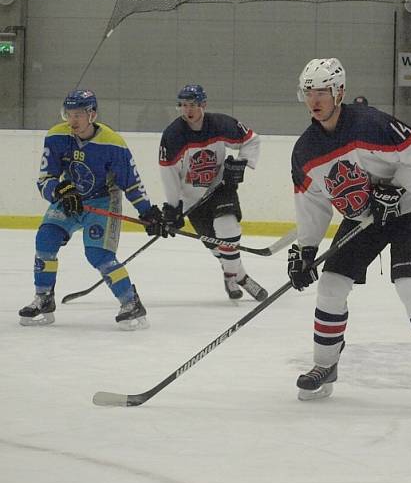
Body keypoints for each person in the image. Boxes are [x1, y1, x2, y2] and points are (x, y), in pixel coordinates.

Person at [288, 57, 411, 412]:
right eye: (309, 92)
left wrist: (396, 189)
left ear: (339, 92)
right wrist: (305, 249)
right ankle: (325, 364)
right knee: (331, 284)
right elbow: (314, 203)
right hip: (364, 217)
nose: (315, 99)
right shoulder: (305, 151)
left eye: (322, 91)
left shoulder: (371, 123)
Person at [19, 90, 160, 330]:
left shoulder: (112, 143)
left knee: (98, 255)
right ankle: (43, 297)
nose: (72, 120)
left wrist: (147, 212)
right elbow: (45, 179)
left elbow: (132, 182)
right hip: (69, 199)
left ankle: (130, 302)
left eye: (78, 115)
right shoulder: (56, 136)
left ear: (92, 114)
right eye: (69, 114)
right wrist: (60, 190)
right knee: (45, 239)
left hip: (103, 201)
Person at [156, 84, 267, 301]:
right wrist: (173, 206)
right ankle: (236, 275)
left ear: (203, 105)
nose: (188, 110)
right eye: (184, 105)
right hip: (192, 199)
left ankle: (239, 278)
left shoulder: (220, 124)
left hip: (220, 188)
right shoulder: (173, 135)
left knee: (227, 227)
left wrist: (240, 165)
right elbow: (168, 171)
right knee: (216, 248)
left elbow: (252, 140)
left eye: (194, 105)